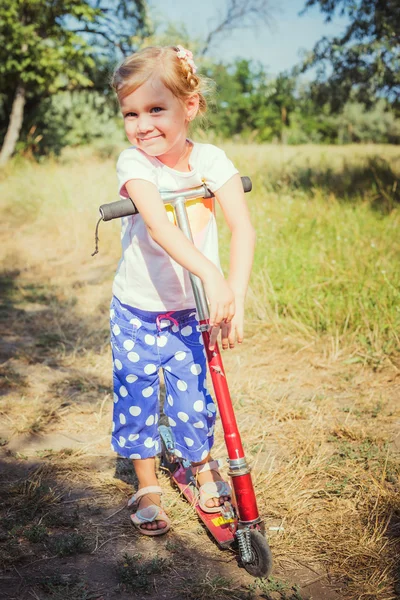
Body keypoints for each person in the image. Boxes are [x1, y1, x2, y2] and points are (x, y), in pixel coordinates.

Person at [110, 45, 255, 536]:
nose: (142, 124)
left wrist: (232, 291)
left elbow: (243, 227)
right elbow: (158, 228)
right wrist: (211, 276)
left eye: (156, 109)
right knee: (139, 396)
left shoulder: (211, 160)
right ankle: (147, 483)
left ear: (188, 107)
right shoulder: (135, 162)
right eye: (131, 113)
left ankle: (200, 463)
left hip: (189, 312)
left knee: (195, 398)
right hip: (138, 310)